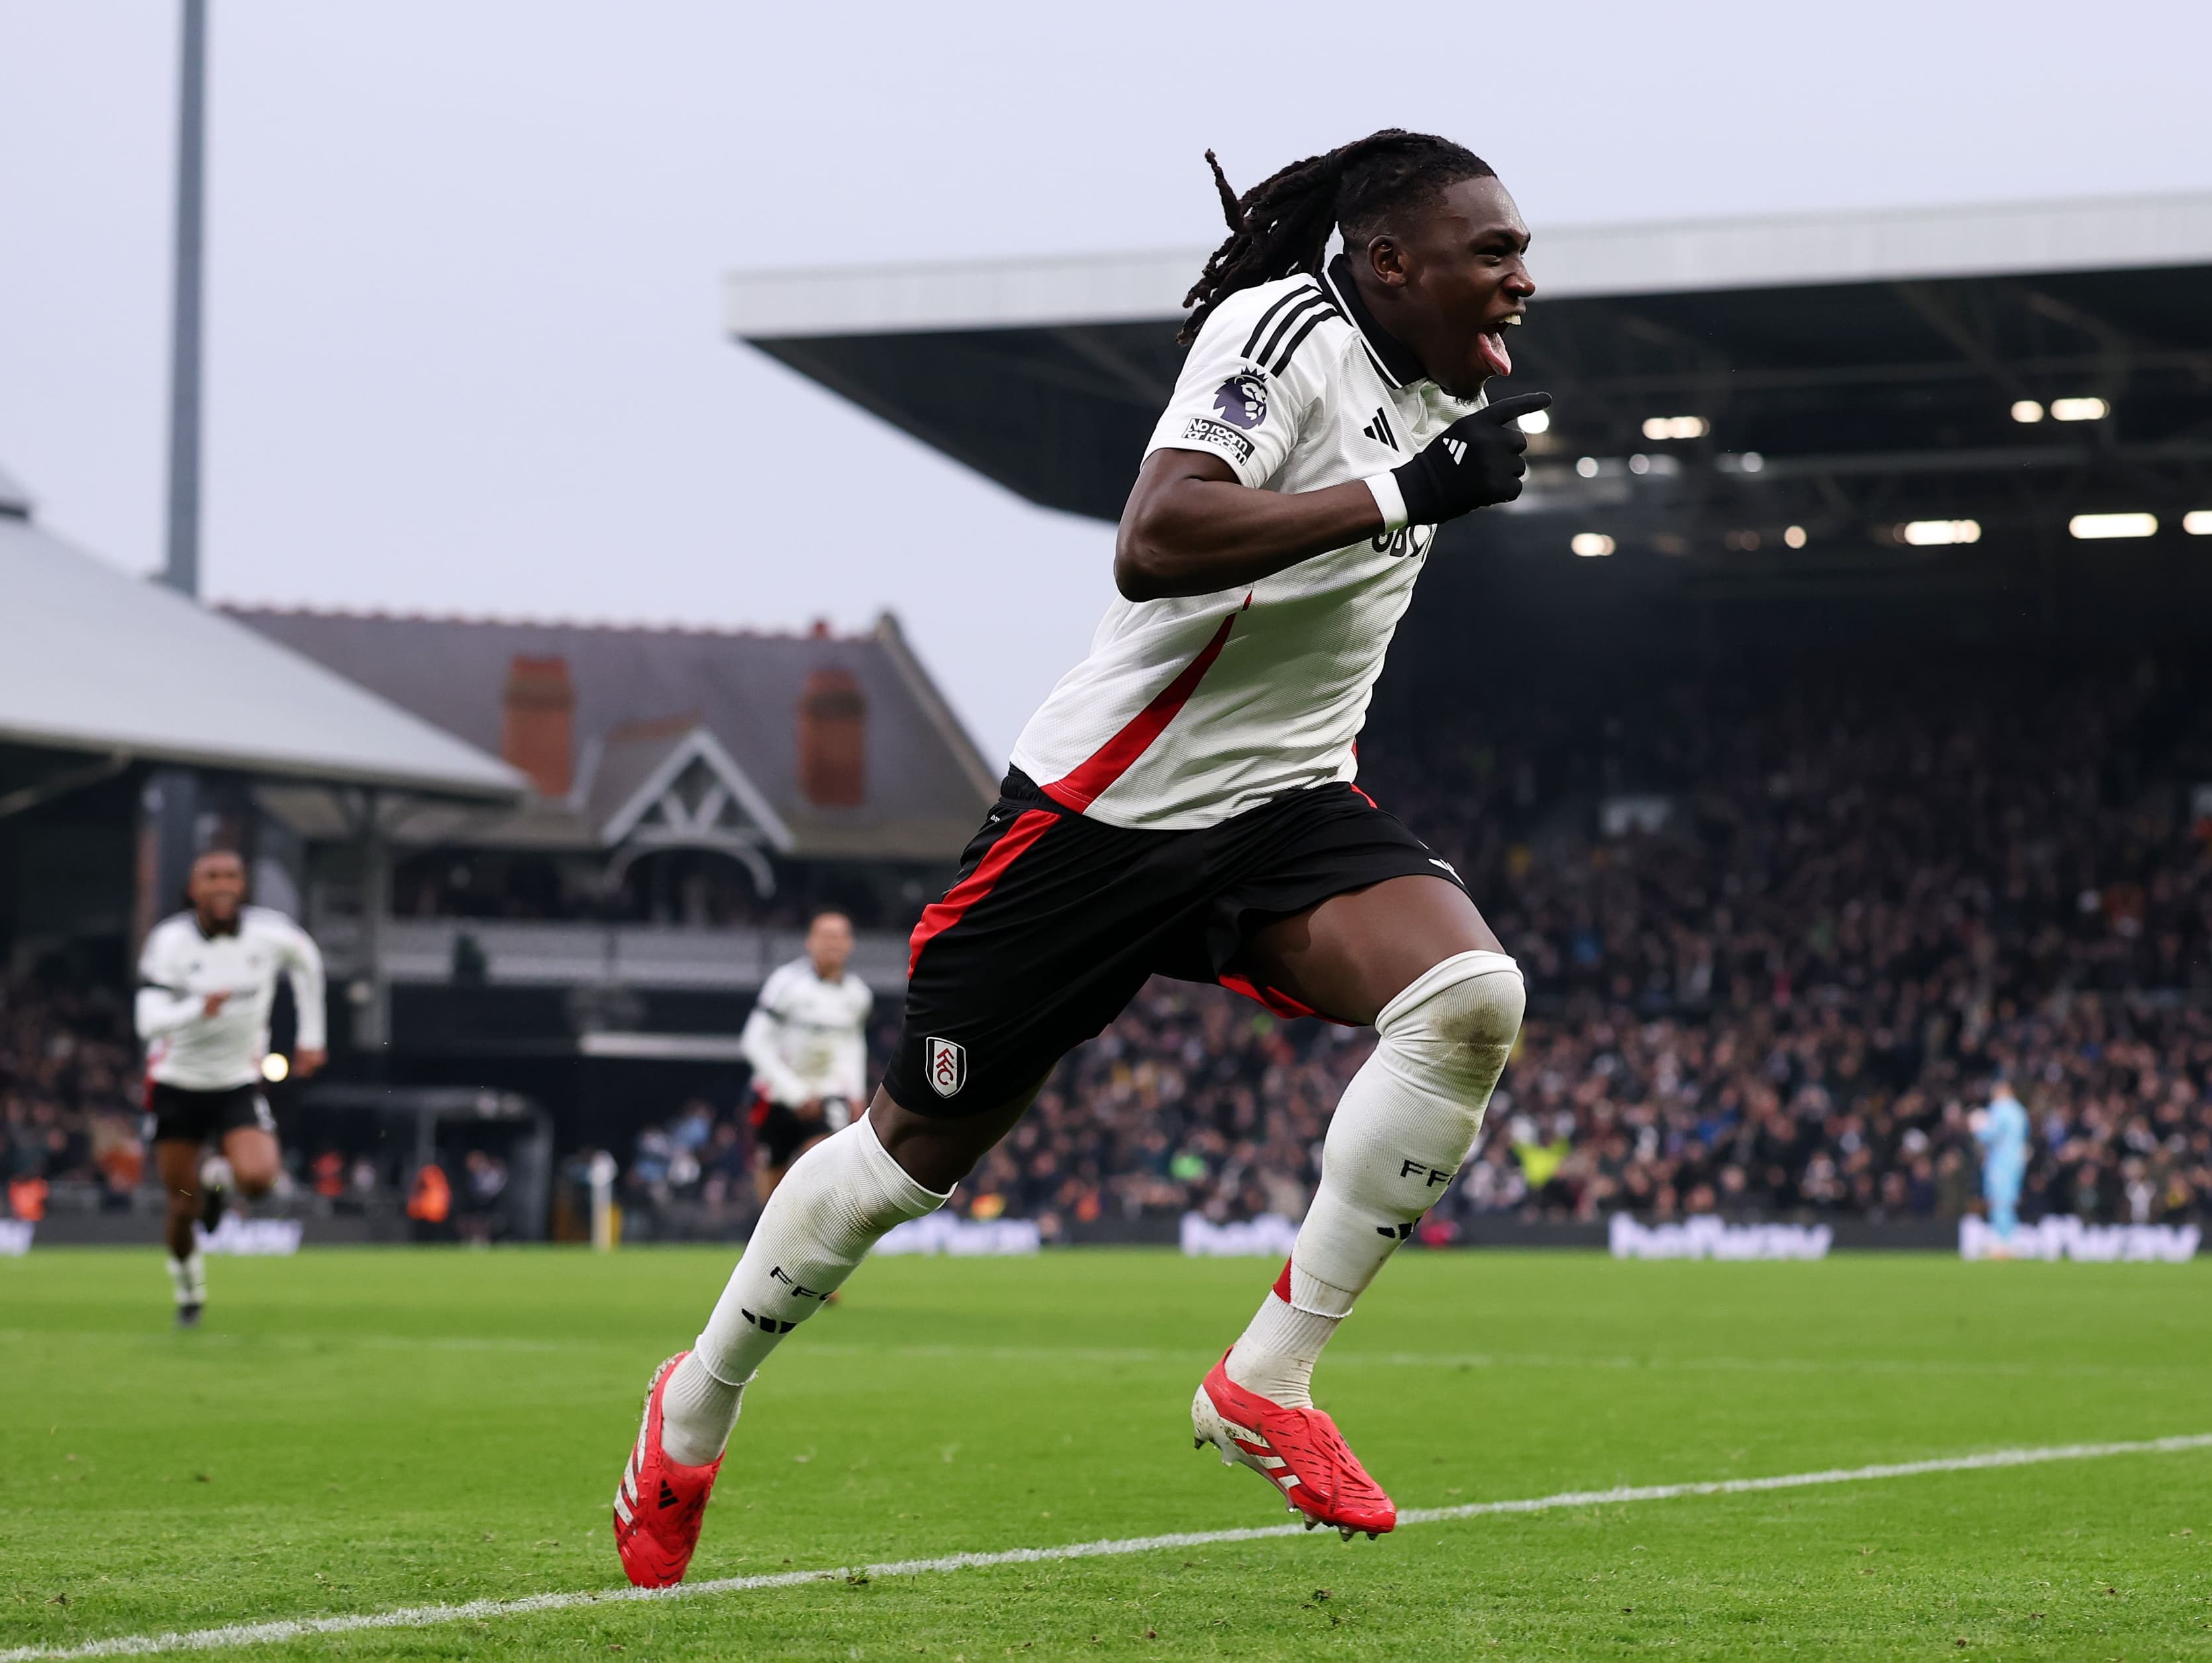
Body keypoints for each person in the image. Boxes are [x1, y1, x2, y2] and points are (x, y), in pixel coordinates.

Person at [614, 128, 1542, 1587]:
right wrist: (1405, 494)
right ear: (1387, 262)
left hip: (1286, 803)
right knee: (902, 1166)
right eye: (1494, 253)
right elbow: (1157, 538)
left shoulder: (1440, 376)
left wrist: (1431, 459)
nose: (1522, 281)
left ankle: (1267, 1380)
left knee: (1472, 996)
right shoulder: (1277, 331)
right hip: (1099, 820)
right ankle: (699, 1395)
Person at [134, 851, 325, 1325]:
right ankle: (189, 1290)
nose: (223, 884)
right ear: (193, 888)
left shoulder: (269, 934)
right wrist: (199, 1008)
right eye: (211, 876)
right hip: (176, 1084)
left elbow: (307, 961)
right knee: (182, 1208)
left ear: (244, 886)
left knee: (260, 1179)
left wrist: (311, 1037)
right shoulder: (170, 942)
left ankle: (219, 1177)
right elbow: (148, 1020)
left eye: (232, 876)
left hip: (236, 1081)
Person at [739, 911, 874, 1203]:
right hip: (777, 1094)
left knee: (824, 1164)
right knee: (772, 1181)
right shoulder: (785, 984)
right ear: (809, 942)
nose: (833, 945)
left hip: (827, 1094)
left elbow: (853, 1044)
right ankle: (772, 1242)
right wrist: (795, 1094)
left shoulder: (858, 995)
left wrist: (854, 1091)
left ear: (850, 944)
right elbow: (754, 1041)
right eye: (826, 937)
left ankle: (814, 1239)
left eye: (840, 937)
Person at [1970, 1078, 2030, 1255]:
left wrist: (1977, 1126)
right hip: (2016, 1163)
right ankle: (2008, 1240)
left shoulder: (2001, 1109)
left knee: (1999, 1202)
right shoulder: (2020, 1111)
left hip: (2001, 1163)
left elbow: (1990, 1134)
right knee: (2007, 1202)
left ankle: (2004, 1243)